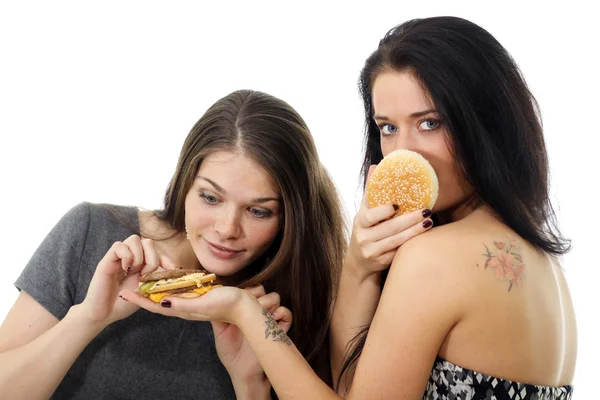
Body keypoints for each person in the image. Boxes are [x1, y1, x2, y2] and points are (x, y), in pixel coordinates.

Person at [124, 17, 577, 400]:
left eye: (430, 123)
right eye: (387, 127)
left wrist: (245, 312)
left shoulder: (437, 258)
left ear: (486, 121)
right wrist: (359, 269)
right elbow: (352, 387)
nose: (405, 153)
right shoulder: (542, 263)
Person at [0, 89, 347, 399]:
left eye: (258, 211)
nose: (227, 229)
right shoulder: (93, 233)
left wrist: (250, 384)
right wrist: (88, 318)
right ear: (185, 183)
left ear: (290, 218)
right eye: (211, 198)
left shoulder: (280, 304)